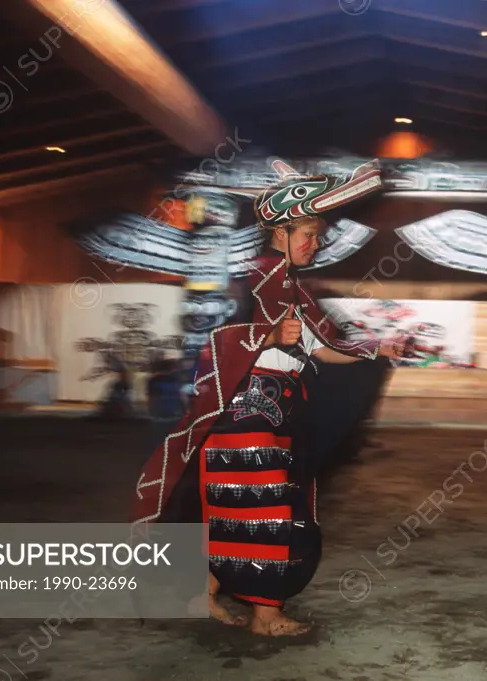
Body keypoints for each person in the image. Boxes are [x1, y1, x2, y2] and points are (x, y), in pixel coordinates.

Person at [131, 163, 391, 637]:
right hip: (244, 419)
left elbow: (320, 349)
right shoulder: (253, 280)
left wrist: (374, 350)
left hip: (272, 418)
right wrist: (267, 334)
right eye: (309, 233)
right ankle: (266, 616)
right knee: (267, 514)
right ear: (280, 232)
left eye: (318, 235)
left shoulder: (293, 288)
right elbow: (216, 339)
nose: (316, 243)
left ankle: (204, 593)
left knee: (233, 510)